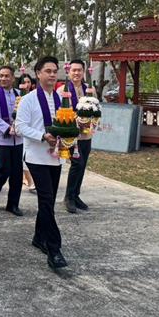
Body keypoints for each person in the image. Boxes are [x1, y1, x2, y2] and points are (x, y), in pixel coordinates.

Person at [15, 56, 68, 269]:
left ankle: (39, 237)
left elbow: (65, 124)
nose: (52, 75)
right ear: (38, 73)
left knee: (48, 202)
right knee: (46, 200)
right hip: (36, 157)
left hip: (55, 158)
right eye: (48, 71)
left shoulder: (60, 99)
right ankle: (54, 249)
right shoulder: (28, 100)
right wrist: (42, 136)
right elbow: (20, 126)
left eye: (55, 71)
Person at [0, 65, 24, 216]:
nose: (3, 78)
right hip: (1, 139)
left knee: (17, 173)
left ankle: (13, 204)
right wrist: (8, 128)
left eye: (7, 76)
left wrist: (20, 127)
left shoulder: (20, 94)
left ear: (13, 78)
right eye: (1, 75)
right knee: (3, 170)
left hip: (18, 140)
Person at [58, 59, 93, 213]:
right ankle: (69, 197)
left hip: (86, 135)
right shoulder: (62, 90)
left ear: (83, 72)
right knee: (77, 164)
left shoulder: (89, 89)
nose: (77, 73)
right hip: (71, 135)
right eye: (74, 70)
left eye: (79, 70)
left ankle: (76, 194)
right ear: (69, 71)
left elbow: (96, 108)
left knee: (83, 165)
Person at [19, 74, 36, 192]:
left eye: (28, 82)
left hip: (32, 131)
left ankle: (29, 179)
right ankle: (29, 180)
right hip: (19, 131)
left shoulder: (35, 96)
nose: (26, 84)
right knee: (23, 157)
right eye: (24, 82)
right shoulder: (18, 95)